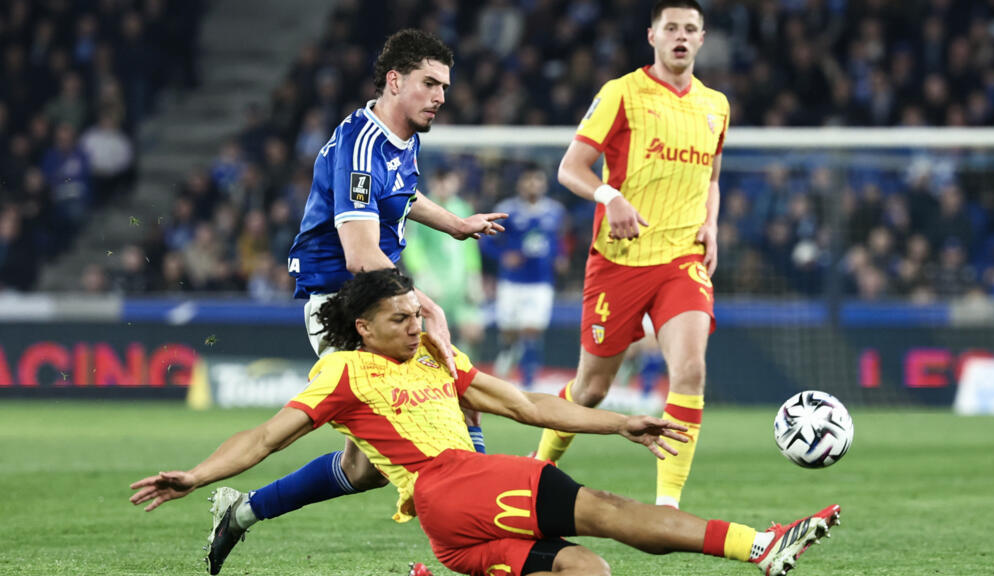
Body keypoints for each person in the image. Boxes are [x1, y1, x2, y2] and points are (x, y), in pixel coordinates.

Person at [129, 269, 841, 576]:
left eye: (417, 312)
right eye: (401, 317)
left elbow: (529, 406)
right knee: (611, 513)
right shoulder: (342, 373)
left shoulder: (441, 358)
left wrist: (620, 421)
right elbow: (263, 437)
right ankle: (761, 548)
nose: (417, 323)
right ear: (363, 325)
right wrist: (197, 475)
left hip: (455, 521)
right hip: (448, 485)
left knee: (585, 569)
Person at [196, 29, 507, 575]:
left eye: (445, 86)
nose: (440, 96)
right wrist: (422, 305)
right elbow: (362, 255)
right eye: (429, 84)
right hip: (349, 311)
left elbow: (403, 194)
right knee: (457, 397)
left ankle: (241, 513)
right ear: (394, 81)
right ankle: (490, 534)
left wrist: (456, 225)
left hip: (378, 303)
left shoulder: (402, 137)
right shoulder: (360, 146)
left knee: (365, 470)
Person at [532, 0, 728, 509]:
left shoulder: (716, 106)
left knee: (689, 371)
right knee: (592, 390)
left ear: (702, 39)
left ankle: (667, 507)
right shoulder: (622, 93)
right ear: (653, 36)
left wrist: (710, 223)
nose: (680, 36)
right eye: (671, 28)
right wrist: (609, 196)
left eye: (690, 29)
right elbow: (571, 168)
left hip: (680, 261)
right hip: (618, 261)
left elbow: (712, 175)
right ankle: (535, 472)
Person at [480, 163, 568, 388]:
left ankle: (529, 383)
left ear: (544, 184)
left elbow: (560, 239)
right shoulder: (507, 210)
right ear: (520, 184)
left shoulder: (554, 211)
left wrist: (561, 256)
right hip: (511, 281)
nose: (533, 184)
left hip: (540, 282)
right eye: (528, 180)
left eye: (537, 180)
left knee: (532, 329)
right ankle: (509, 349)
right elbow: (487, 241)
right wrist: (504, 256)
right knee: (510, 331)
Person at [402, 166, 486, 360]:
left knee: (473, 333)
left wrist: (474, 277)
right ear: (431, 183)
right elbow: (412, 245)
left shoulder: (462, 208)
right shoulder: (420, 207)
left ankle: (463, 367)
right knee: (430, 335)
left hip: (460, 283)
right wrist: (423, 275)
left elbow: (470, 248)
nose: (443, 186)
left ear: (455, 182)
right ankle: (431, 371)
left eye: (447, 181)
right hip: (434, 285)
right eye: (438, 181)